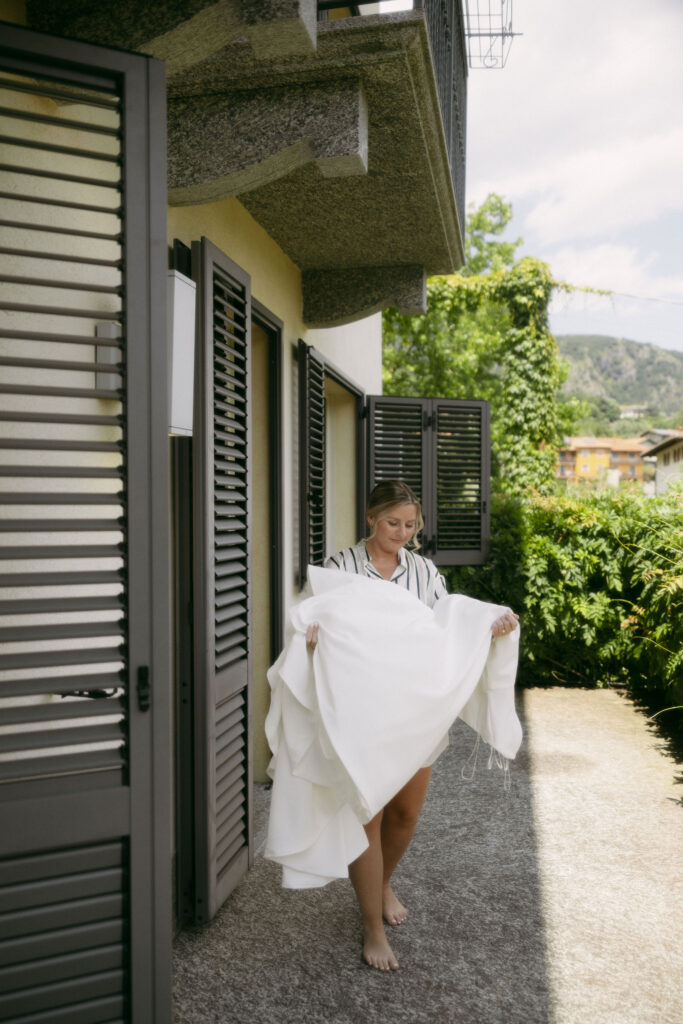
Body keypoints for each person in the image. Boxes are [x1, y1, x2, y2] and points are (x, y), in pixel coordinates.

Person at [304, 479, 518, 972]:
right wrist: (311, 636)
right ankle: (372, 927)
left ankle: (382, 882)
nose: (401, 533)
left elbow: (443, 625)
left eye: (410, 525)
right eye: (392, 523)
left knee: (405, 816)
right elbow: (311, 618)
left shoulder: (423, 570)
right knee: (369, 817)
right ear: (370, 519)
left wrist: (488, 624)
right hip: (362, 712)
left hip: (414, 710)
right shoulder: (341, 568)